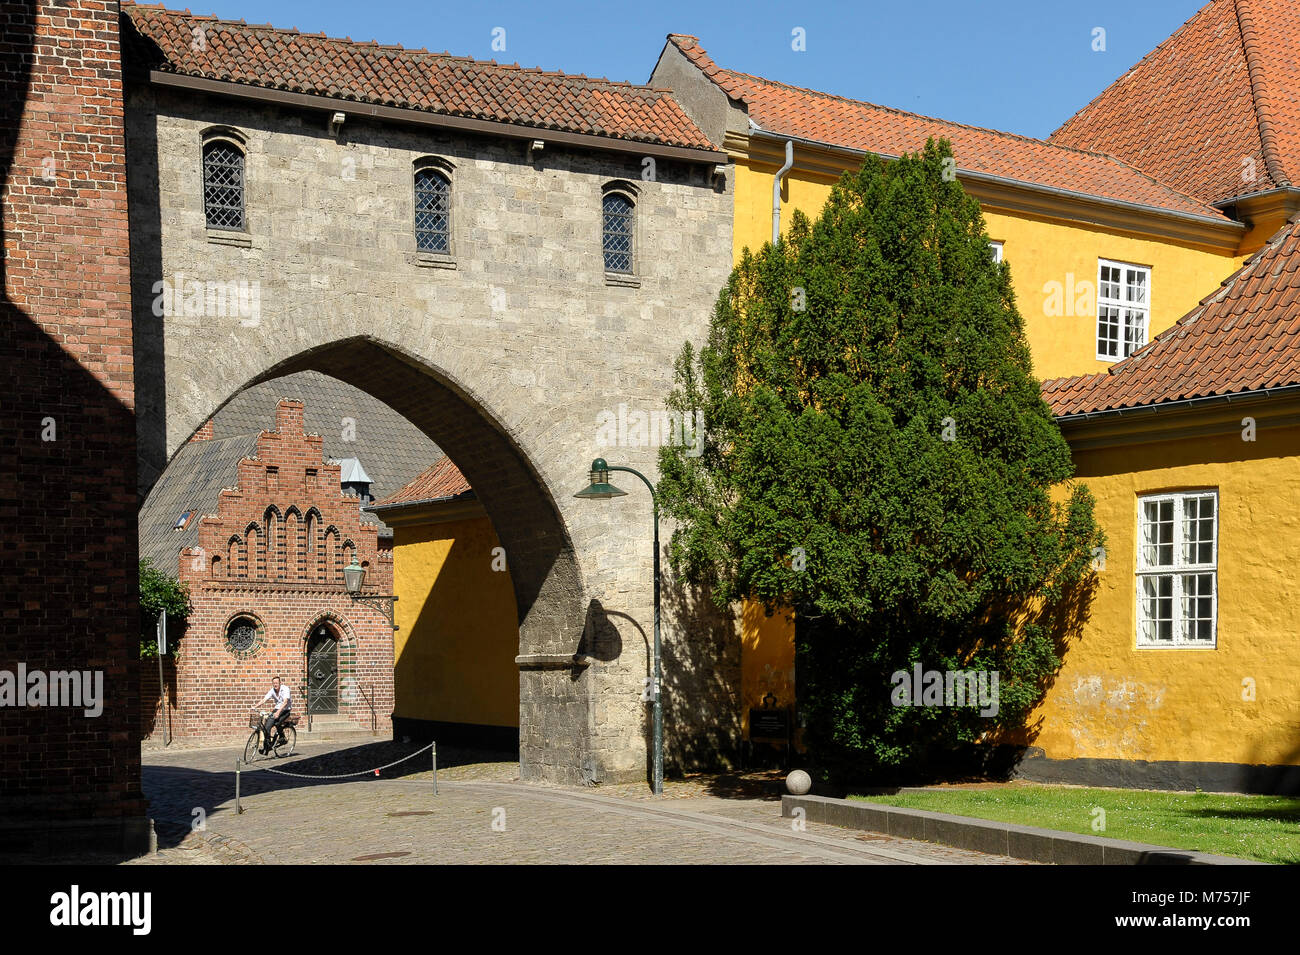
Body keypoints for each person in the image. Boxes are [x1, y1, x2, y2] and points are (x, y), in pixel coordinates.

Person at [253, 675, 291, 754]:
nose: (275, 684)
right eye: (273, 683)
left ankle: (282, 737)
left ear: (280, 683)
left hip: (285, 710)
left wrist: (278, 712)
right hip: (277, 709)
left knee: (277, 722)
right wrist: (255, 706)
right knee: (267, 726)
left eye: (277, 683)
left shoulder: (285, 689)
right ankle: (266, 747)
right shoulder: (272, 690)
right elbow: (264, 699)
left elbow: (285, 702)